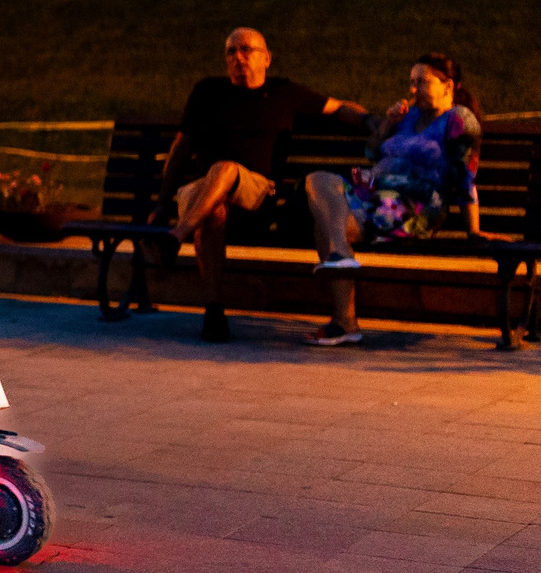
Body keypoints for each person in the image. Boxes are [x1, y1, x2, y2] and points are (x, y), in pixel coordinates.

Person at [161, 28, 364, 342]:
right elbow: (180, 148)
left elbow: (337, 107)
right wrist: (162, 205)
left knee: (225, 168)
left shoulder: (284, 92)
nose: (238, 58)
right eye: (231, 51)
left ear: (267, 58)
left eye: (247, 50)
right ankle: (214, 310)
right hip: (204, 193)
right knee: (213, 208)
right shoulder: (206, 92)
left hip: (255, 194)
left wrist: (373, 121)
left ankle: (178, 235)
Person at [301, 53, 483, 347]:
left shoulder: (459, 120)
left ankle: (344, 321)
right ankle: (341, 259)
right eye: (411, 83)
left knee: (326, 225)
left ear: (447, 86)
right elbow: (372, 154)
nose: (412, 90)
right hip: (374, 193)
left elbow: (466, 176)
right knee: (319, 179)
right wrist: (388, 124)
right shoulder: (409, 117)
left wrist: (473, 230)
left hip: (416, 206)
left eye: (421, 82)